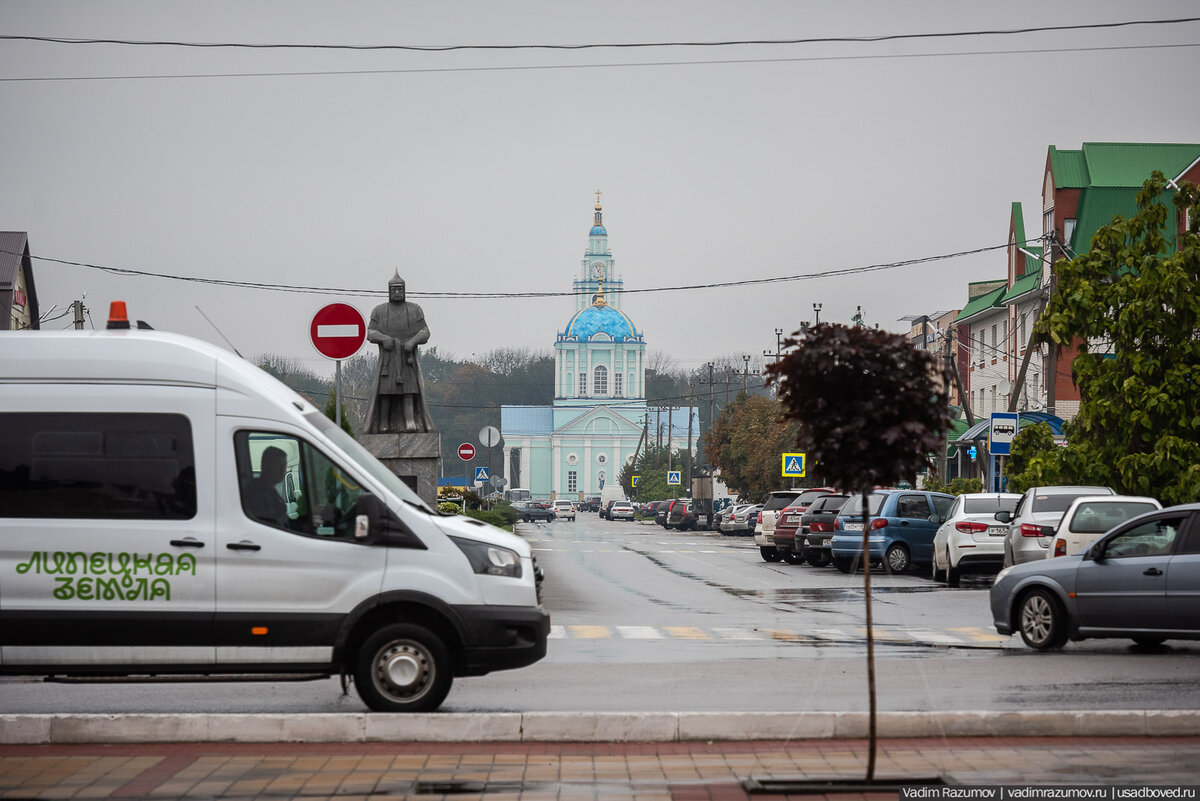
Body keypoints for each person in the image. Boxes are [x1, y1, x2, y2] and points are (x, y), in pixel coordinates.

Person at [365, 272, 437, 434]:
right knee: (385, 391)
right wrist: (384, 339)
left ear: (404, 290)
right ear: (389, 291)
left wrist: (412, 342)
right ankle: (383, 422)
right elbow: (370, 333)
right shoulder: (379, 311)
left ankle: (410, 420)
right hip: (388, 360)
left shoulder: (414, 310)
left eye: (400, 289)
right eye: (394, 289)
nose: (397, 292)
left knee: (410, 389)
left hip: (407, 358)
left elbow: (425, 332)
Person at [244, 446, 289, 527]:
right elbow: (273, 525)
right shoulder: (256, 494)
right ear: (265, 466)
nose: (282, 469)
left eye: (284, 465)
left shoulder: (271, 492)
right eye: (277, 464)